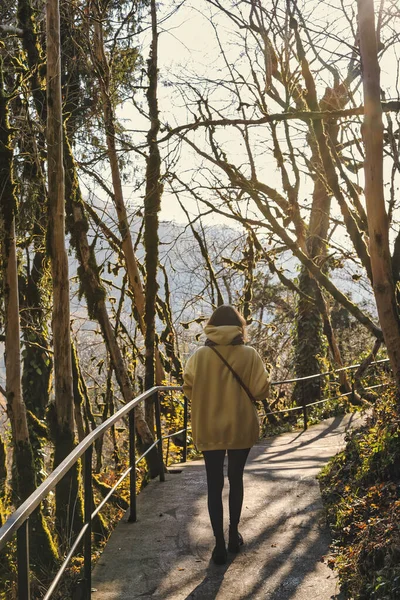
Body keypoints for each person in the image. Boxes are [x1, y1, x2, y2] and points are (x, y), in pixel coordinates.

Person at [183, 305, 271, 565]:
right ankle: (233, 535)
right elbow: (261, 391)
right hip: (240, 425)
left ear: (212, 326)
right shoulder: (250, 354)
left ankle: (218, 546)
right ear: (239, 327)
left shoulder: (199, 356)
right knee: (236, 478)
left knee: (213, 484)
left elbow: (189, 388)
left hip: (208, 426)